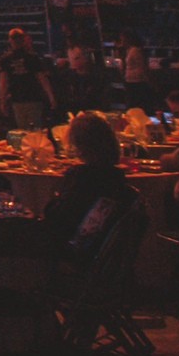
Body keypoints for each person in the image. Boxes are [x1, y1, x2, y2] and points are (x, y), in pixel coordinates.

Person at [42, 112, 133, 261]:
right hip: (103, 250)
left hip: (75, 248)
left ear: (80, 145)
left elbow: (57, 217)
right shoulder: (118, 179)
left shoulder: (81, 178)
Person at [0, 27, 56, 129]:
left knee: (22, 130)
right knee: (35, 129)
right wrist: (51, 96)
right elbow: (42, 79)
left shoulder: (5, 59)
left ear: (10, 40)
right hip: (33, 97)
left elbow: (3, 82)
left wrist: (2, 101)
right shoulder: (32, 57)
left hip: (17, 98)